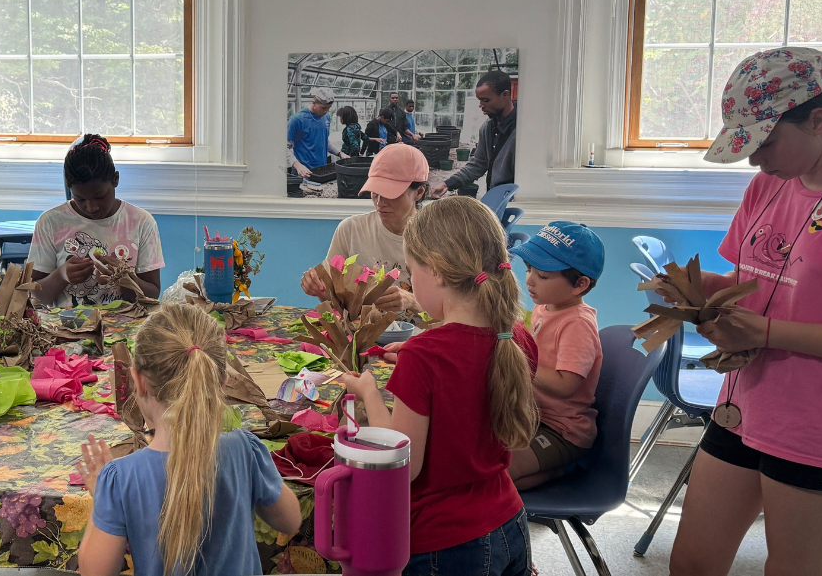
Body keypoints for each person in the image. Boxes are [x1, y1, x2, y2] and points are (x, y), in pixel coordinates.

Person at [667, 48, 822, 576]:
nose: (755, 160)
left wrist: (763, 332)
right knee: (691, 562)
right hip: (742, 405)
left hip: (814, 423)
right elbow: (749, 281)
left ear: (819, 121)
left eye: (765, 143)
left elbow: (769, 315)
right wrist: (697, 289)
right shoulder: (767, 186)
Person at [341, 196, 538, 575]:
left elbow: (404, 462)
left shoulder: (425, 354)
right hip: (510, 522)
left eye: (412, 272)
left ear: (438, 273)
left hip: (447, 544)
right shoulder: (514, 337)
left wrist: (367, 391)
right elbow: (466, 379)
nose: (411, 281)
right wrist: (416, 365)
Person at [72, 304, 302, 576]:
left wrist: (102, 498)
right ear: (222, 382)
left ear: (138, 381)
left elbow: (94, 571)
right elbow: (290, 521)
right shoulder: (245, 449)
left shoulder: (120, 479)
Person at [507, 221, 605, 490]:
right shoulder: (544, 307)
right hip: (531, 417)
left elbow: (565, 385)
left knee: (497, 474)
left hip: (561, 431)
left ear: (580, 284)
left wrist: (519, 360)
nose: (529, 280)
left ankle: (563, 469)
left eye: (543, 275)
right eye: (528, 270)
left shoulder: (577, 324)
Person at [31, 134, 164, 308]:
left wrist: (124, 280)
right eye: (80, 199)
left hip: (126, 328)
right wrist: (61, 275)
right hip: (69, 329)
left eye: (100, 196)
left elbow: (153, 294)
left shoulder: (141, 222)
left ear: (116, 179)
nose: (92, 207)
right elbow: (37, 297)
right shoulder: (50, 222)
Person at [300, 144, 428, 315]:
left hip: (421, 339)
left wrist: (413, 302)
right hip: (360, 339)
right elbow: (334, 301)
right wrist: (319, 289)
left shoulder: (438, 238)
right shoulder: (351, 230)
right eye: (375, 193)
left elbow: (455, 311)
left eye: (390, 194)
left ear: (419, 192)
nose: (380, 202)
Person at [431, 70, 516, 197]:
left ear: (505, 95)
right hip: (496, 198)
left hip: (517, 200)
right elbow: (479, 163)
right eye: (479, 100)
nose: (481, 105)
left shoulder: (523, 131)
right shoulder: (487, 128)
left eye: (486, 100)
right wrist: (447, 184)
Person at [287, 87, 345, 178]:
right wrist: (297, 165)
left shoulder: (326, 117)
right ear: (314, 102)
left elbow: (324, 140)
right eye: (323, 108)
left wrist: (339, 153)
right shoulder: (297, 120)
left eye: (329, 108)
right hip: (303, 172)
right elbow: (284, 148)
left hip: (321, 170)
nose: (326, 111)